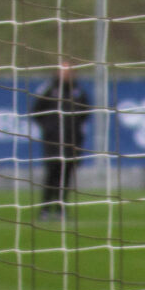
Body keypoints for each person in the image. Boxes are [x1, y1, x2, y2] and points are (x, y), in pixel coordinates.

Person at [29, 59, 93, 221]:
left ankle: (60, 208)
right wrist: (49, 127)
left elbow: (86, 112)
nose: (66, 74)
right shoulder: (49, 89)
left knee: (66, 175)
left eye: (69, 70)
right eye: (63, 70)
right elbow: (36, 111)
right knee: (51, 174)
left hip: (72, 141)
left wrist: (75, 129)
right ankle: (45, 208)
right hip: (53, 141)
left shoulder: (78, 91)